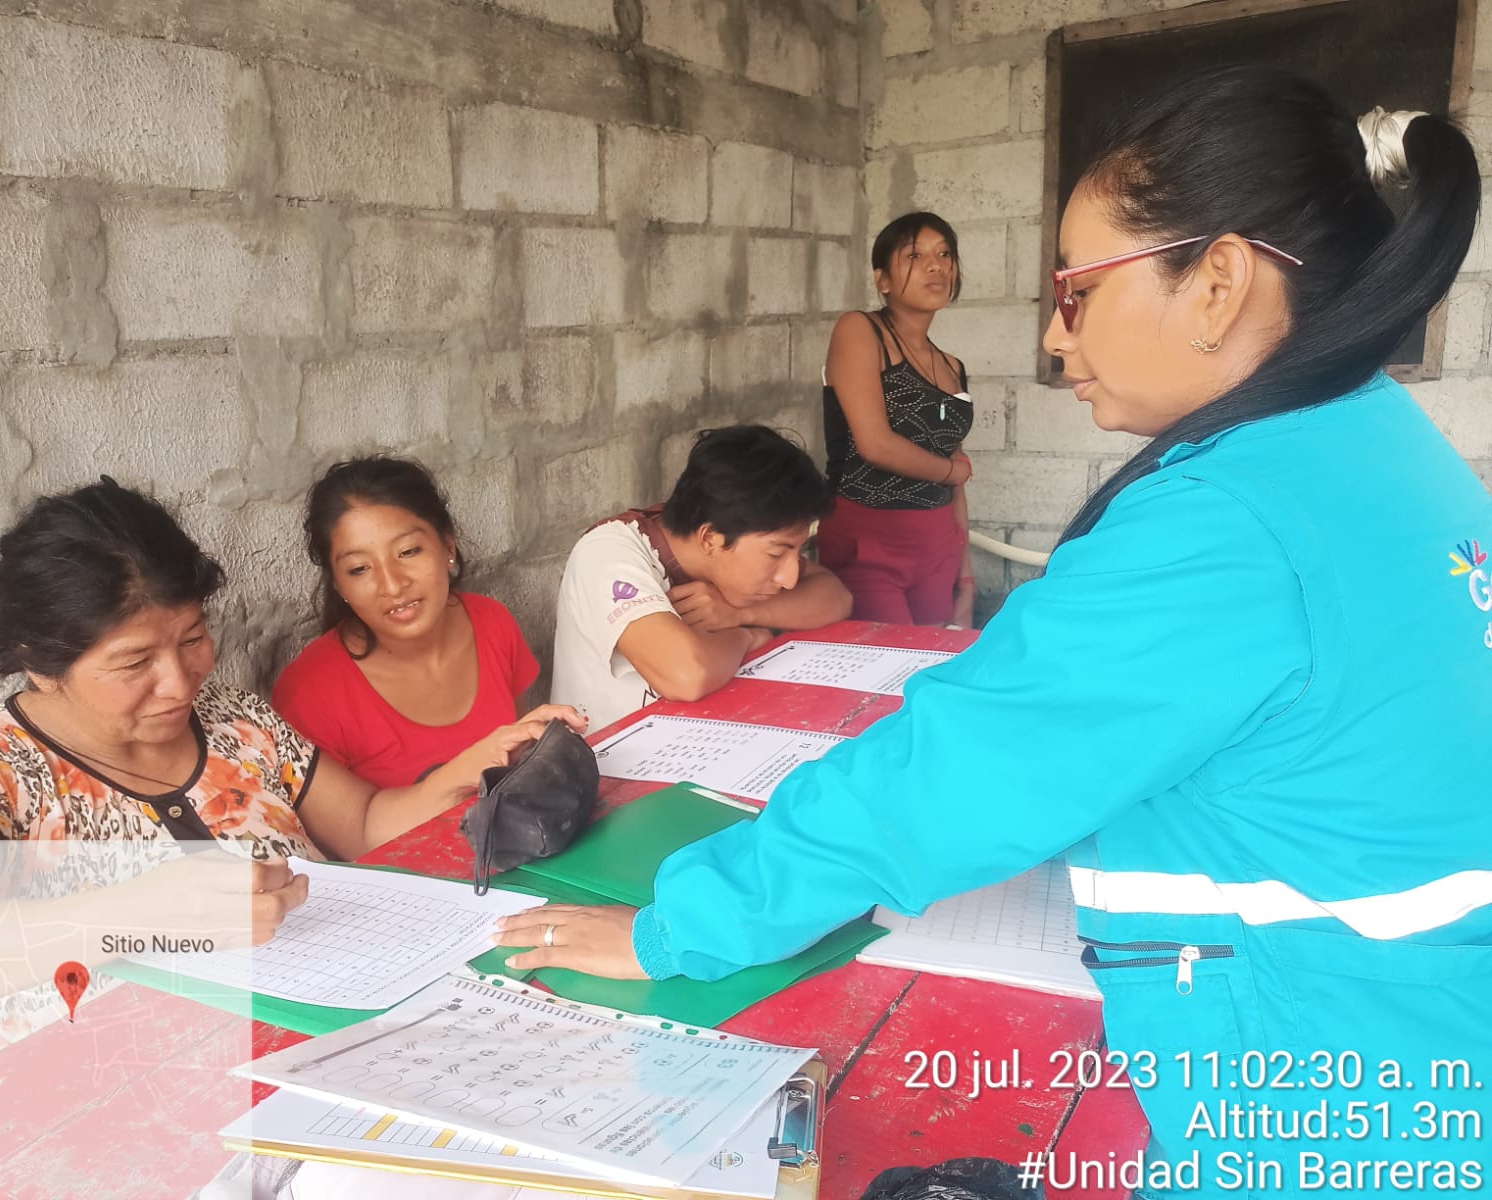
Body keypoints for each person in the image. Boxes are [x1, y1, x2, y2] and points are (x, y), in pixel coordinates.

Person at [497, 68, 1492, 1197]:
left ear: (1216, 283)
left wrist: (680, 926)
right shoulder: (1383, 448)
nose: (1058, 338)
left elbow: (953, 769)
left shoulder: (1227, 518)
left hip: (1322, 1112)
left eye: (1079, 290)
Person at [0, 477, 564, 1020]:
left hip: (315, 1036)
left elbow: (362, 824)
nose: (179, 682)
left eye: (192, 639)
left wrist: (474, 763)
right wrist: (133, 915)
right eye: (134, 663)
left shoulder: (231, 718)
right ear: (41, 665)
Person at [273, 456, 582, 789]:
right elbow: (342, 822)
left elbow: (517, 768)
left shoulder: (493, 624)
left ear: (448, 547)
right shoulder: (310, 694)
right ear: (339, 586)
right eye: (359, 569)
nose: (393, 585)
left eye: (408, 552)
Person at [550, 425, 851, 730]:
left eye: (797, 552)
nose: (789, 578)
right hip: (610, 756)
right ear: (710, 539)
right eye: (776, 554)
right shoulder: (607, 554)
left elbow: (836, 597)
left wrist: (739, 613)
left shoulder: (726, 541)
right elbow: (686, 675)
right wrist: (746, 636)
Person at [820, 212, 976, 627]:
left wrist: (966, 578)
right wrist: (951, 472)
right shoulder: (860, 330)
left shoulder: (953, 366)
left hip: (938, 549)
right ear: (882, 280)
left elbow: (957, 476)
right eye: (915, 256)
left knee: (934, 658)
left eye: (945, 254)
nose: (936, 266)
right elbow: (876, 445)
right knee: (885, 661)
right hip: (867, 544)